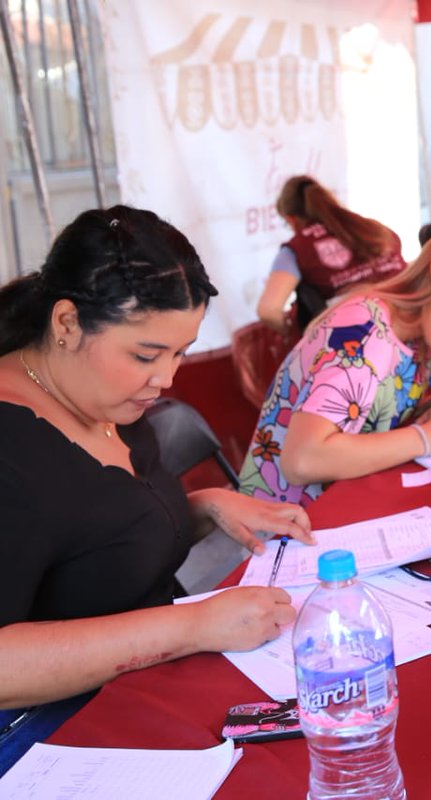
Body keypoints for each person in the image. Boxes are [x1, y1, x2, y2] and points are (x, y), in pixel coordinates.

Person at [0, 206, 314, 773]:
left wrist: (203, 506)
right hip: (49, 738)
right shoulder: (10, 445)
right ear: (67, 324)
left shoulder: (101, 396)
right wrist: (190, 627)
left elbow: (91, 539)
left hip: (145, 690)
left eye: (180, 353)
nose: (166, 378)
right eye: (146, 355)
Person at [238, 224, 431, 507]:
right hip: (286, 527)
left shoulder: (420, 332)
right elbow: (301, 460)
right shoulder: (363, 334)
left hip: (343, 504)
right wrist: (426, 438)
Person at [257, 176, 406, 335]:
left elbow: (268, 311)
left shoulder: (297, 249)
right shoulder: (374, 228)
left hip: (362, 338)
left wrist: (292, 332)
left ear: (292, 220)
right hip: (410, 322)